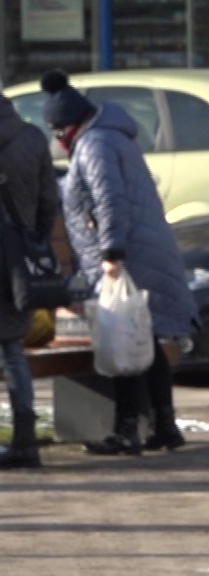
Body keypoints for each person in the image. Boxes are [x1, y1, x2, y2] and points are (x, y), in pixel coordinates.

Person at [40, 69, 199, 456]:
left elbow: (109, 198)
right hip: (145, 251)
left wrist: (111, 253)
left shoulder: (94, 145)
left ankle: (127, 430)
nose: (58, 142)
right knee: (149, 337)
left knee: (123, 337)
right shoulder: (112, 137)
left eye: (58, 133)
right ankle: (165, 425)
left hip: (127, 257)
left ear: (68, 127)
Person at [0, 90, 60, 469]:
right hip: (16, 261)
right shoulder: (33, 137)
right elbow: (49, 200)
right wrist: (35, 239)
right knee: (13, 352)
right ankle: (25, 440)